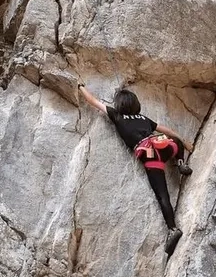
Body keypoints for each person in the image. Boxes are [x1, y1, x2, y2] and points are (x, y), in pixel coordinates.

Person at [78, 83, 193, 256]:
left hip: (148, 154)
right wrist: (184, 142)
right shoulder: (143, 118)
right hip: (162, 145)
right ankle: (180, 162)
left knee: (162, 195)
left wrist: (80, 86)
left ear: (119, 104)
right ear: (136, 104)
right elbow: (167, 130)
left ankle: (172, 229)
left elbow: (93, 101)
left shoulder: (117, 115)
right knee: (174, 141)